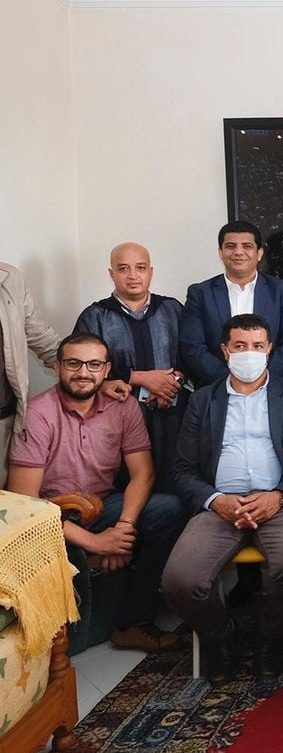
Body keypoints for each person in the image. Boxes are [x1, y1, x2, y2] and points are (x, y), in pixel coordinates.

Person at [161, 314, 283, 681]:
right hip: (220, 507)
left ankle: (271, 637)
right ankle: (222, 636)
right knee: (179, 582)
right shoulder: (202, 401)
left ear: (269, 350)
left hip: (282, 505)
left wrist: (280, 495)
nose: (249, 353)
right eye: (240, 346)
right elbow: (183, 469)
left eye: (257, 346)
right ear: (225, 351)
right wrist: (215, 499)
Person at [7, 332, 183, 655]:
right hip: (50, 517)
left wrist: (123, 530)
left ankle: (132, 622)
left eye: (93, 365)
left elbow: (143, 474)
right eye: (73, 363)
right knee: (72, 644)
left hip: (103, 507)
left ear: (107, 370)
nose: (83, 372)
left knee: (168, 509)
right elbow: (25, 504)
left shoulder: (123, 407)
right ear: (57, 366)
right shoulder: (37, 413)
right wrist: (97, 543)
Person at [74, 242, 188, 495]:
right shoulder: (95, 316)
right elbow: (81, 368)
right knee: (123, 487)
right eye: (123, 268)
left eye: (141, 268)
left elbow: (190, 357)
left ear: (151, 272)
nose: (133, 275)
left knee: (174, 484)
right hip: (118, 416)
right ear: (111, 273)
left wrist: (173, 382)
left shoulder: (172, 309)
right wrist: (139, 378)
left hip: (171, 413)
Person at [179, 220, 283, 387]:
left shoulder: (282, 291)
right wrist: (232, 382)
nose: (238, 252)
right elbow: (192, 347)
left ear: (259, 253)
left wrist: (260, 380)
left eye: (247, 246)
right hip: (216, 389)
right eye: (231, 246)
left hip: (275, 387)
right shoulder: (200, 293)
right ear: (220, 253)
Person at [0, 261, 61, 485]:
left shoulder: (9, 277)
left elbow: (37, 334)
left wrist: (77, 368)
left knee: (6, 501)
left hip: (4, 420)